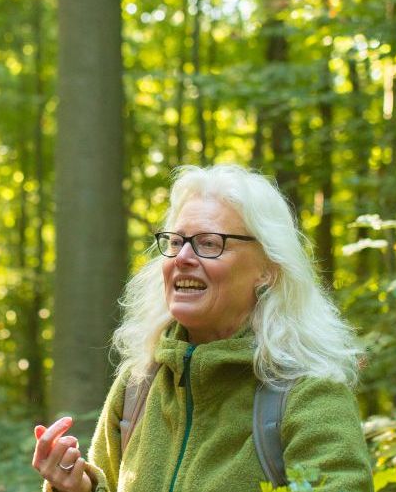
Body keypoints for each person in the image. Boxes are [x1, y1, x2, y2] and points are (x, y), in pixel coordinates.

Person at [31, 164, 372, 492]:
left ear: (268, 268)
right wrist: (78, 488)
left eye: (209, 243)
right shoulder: (139, 385)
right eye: (176, 242)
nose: (182, 258)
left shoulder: (307, 394)